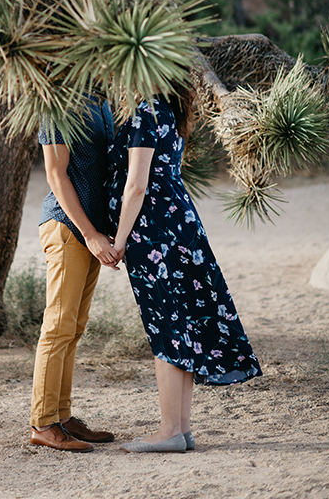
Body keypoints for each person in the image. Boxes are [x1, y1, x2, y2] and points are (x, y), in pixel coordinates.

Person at [108, 82, 262, 453]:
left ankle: (169, 430)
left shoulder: (145, 109)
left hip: (155, 232)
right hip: (178, 225)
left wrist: (118, 240)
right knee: (180, 324)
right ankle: (179, 428)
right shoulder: (170, 109)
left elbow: (137, 185)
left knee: (166, 325)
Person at [30, 92, 119, 452]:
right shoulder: (57, 102)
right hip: (68, 227)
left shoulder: (103, 102)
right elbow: (55, 173)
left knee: (74, 327)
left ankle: (62, 416)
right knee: (58, 325)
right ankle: (42, 423)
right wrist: (91, 234)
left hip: (91, 230)